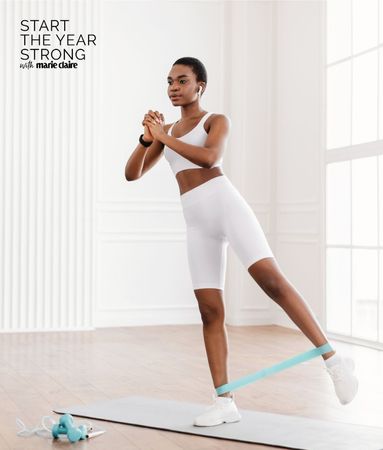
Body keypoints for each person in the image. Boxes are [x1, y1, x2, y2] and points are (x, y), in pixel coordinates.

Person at [125, 57, 358, 426]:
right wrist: (146, 138)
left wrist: (164, 136)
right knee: (210, 311)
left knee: (272, 282)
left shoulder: (214, 120)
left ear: (200, 85)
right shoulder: (165, 132)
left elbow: (209, 156)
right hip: (196, 222)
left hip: (225, 205)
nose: (173, 87)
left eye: (182, 80)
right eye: (169, 81)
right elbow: (131, 173)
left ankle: (334, 360)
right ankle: (224, 401)